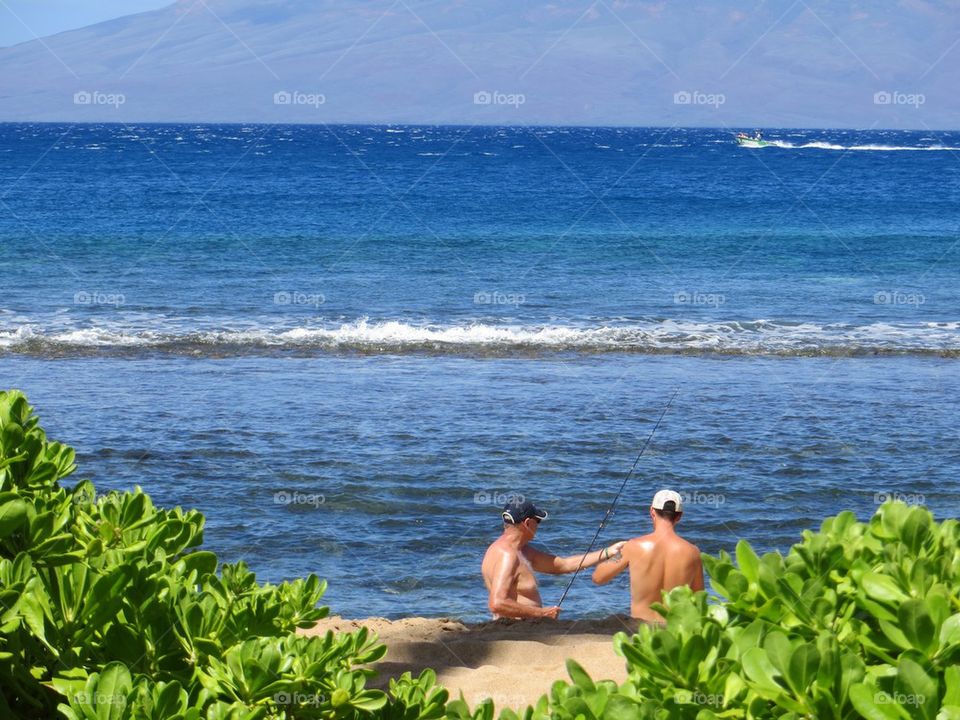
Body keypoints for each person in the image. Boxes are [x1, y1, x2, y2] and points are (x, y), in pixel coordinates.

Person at [482, 499, 625, 620]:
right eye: (538, 521)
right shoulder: (508, 555)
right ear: (527, 523)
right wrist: (542, 613)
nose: (538, 526)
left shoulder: (521, 551)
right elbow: (497, 603)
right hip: (515, 632)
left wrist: (608, 552)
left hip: (524, 628)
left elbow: (562, 565)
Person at [591, 489, 704, 622]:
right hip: (674, 632)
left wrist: (612, 553)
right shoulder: (692, 552)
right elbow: (698, 598)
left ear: (652, 511)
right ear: (679, 516)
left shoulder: (633, 546)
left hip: (641, 632)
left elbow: (598, 577)